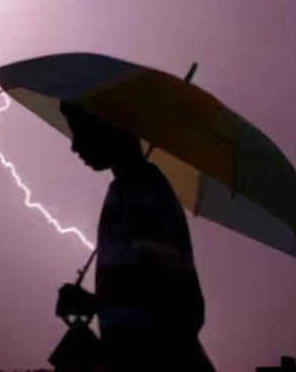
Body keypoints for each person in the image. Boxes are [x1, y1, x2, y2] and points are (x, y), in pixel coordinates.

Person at [57, 101, 215, 371]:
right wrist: (94, 304)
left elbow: (181, 305)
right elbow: (148, 293)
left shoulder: (142, 190)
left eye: (80, 130)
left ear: (110, 127)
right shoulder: (127, 188)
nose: (75, 145)